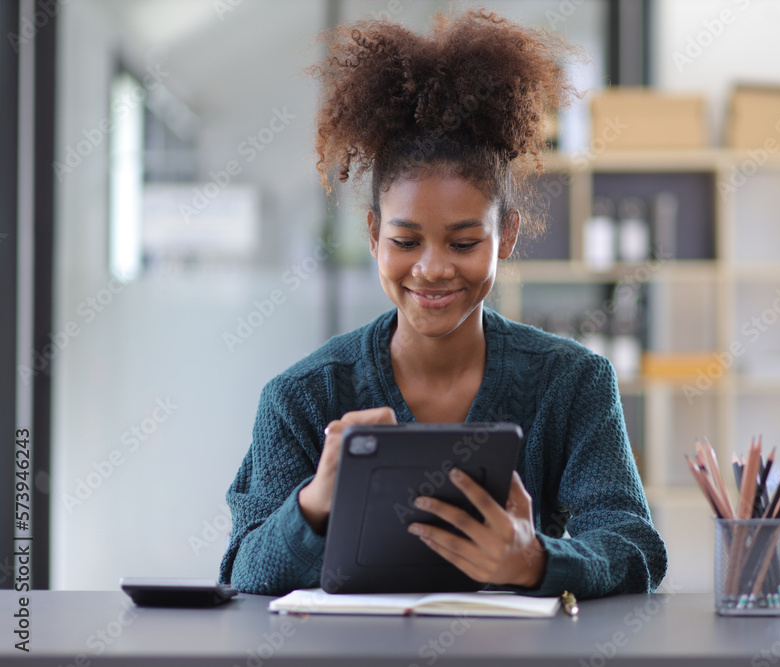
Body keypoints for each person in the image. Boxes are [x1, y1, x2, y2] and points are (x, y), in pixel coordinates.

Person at [219, 9, 667, 599]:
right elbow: (241, 572)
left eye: (463, 242)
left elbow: (633, 546)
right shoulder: (302, 398)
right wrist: (314, 502)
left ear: (504, 236)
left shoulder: (573, 384)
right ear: (374, 235)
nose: (432, 268)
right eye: (406, 242)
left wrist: (536, 560)